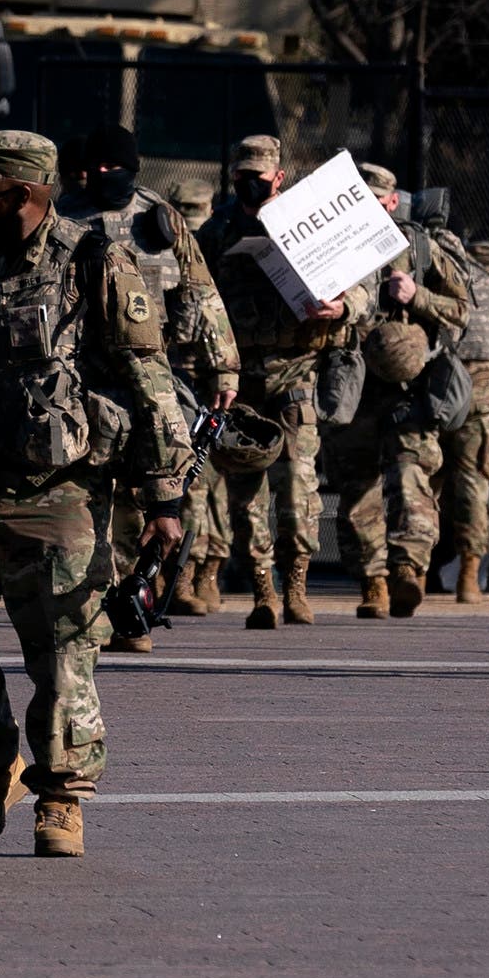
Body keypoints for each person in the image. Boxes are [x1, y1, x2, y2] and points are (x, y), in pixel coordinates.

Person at [0, 131, 191, 858]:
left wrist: (165, 498)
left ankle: (62, 794)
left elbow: (148, 378)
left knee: (64, 649)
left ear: (24, 191)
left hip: (63, 490)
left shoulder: (94, 260)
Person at [59, 125, 236, 652]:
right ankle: (104, 610)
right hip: (86, 378)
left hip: (157, 377)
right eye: (102, 169)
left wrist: (223, 368)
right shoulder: (64, 219)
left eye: (121, 170)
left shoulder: (160, 219)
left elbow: (202, 290)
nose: (110, 179)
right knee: (91, 501)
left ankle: (140, 603)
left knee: (152, 495)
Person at [196, 136, 373, 629]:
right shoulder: (217, 231)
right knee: (246, 495)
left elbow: (365, 292)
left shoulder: (314, 222)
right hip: (240, 380)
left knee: (298, 491)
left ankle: (296, 585)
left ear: (280, 178)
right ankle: (261, 590)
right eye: (241, 176)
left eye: (260, 175)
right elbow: (198, 294)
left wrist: (343, 306)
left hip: (297, 372)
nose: (250, 184)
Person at [325, 165, 471, 618]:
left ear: (391, 202)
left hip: (409, 387)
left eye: (372, 198)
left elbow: (462, 310)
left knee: (411, 478)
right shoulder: (332, 247)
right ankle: (373, 582)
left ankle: (408, 571)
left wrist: (417, 297)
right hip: (352, 385)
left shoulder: (419, 248)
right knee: (356, 488)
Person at [416, 192, 489, 603]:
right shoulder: (487, 278)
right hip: (478, 391)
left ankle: (416, 571)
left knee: (423, 480)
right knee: (474, 483)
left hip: (427, 388)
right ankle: (468, 578)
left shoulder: (418, 265)